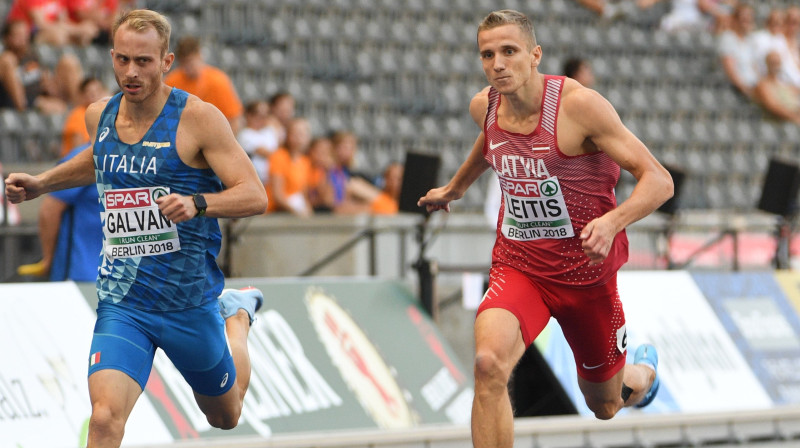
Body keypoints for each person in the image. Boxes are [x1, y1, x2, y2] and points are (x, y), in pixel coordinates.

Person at [4, 9, 267, 447]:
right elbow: (98, 159)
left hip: (188, 302)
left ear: (166, 62)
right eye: (122, 59)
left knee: (227, 415)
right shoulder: (98, 116)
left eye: (143, 61)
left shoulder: (198, 119)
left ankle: (236, 315)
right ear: (111, 57)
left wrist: (198, 202)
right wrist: (42, 183)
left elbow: (254, 195)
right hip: (124, 303)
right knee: (105, 419)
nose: (131, 71)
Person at [417, 10, 673, 446]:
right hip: (520, 267)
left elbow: (659, 180)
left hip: (585, 277)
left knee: (604, 405)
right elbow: (491, 140)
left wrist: (612, 222)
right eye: (487, 54)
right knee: (487, 364)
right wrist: (456, 186)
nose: (497, 63)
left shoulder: (579, 107)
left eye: (509, 51)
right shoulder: (485, 106)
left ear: (535, 55)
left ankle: (640, 371)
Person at [16, 143, 104, 281]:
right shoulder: (85, 157)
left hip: (127, 279)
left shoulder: (140, 153)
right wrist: (48, 259)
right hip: (81, 276)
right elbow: (50, 209)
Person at [165, 35, 244, 134]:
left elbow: (234, 119)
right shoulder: (172, 81)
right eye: (184, 63)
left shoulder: (218, 80)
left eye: (191, 61)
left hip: (215, 136)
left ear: (199, 56)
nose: (188, 67)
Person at [0, 20, 82, 113]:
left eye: (25, 34)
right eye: (18, 35)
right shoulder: (5, 60)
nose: (23, 38)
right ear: (7, 38)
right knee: (8, 59)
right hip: (17, 103)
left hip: (39, 97)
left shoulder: (31, 56)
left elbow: (45, 84)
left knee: (68, 62)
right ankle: (25, 110)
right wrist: (34, 102)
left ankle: (79, 111)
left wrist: (49, 86)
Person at [266, 117, 313, 216]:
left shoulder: (305, 162)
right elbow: (277, 195)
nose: (298, 138)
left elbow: (303, 194)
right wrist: (297, 212)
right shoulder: (279, 156)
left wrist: (308, 212)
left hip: (294, 211)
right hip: (275, 212)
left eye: (302, 134)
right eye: (294, 133)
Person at [717, 3, 759, 99]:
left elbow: (755, 68)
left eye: (750, 18)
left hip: (755, 86)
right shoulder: (728, 38)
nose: (748, 21)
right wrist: (747, 91)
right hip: (741, 89)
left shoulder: (750, 40)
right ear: (735, 20)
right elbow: (730, 70)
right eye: (744, 19)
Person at [61, 76, 109, 157]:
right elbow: (77, 150)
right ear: (83, 95)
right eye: (90, 92)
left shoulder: (108, 113)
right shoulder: (77, 115)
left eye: (97, 90)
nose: (94, 94)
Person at [237, 99, 280, 185]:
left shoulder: (268, 131)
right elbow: (267, 152)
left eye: (265, 115)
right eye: (257, 114)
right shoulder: (245, 134)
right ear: (249, 115)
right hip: (254, 181)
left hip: (271, 180)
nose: (261, 119)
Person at [753, 51, 800, 125]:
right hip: (780, 122)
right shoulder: (763, 85)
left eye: (777, 62)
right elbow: (773, 106)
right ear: (767, 63)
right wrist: (794, 117)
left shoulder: (785, 84)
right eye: (773, 62)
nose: (775, 66)